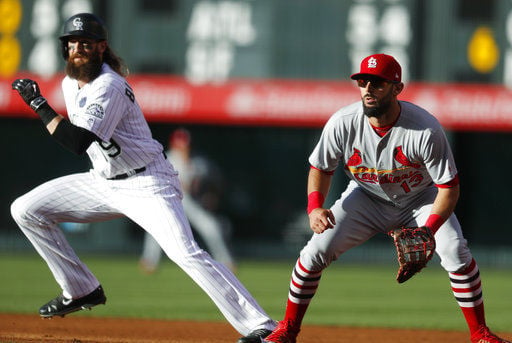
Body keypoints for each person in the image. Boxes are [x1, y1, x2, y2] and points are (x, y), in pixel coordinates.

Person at [10, 13, 274, 343]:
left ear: (101, 48)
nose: (77, 47)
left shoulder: (109, 85)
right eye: (71, 42)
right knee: (25, 209)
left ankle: (262, 327)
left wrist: (38, 104)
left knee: (186, 253)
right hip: (103, 182)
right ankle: (80, 289)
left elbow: (77, 143)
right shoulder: (69, 83)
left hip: (147, 183)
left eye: (85, 43)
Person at [262, 54, 510, 343]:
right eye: (363, 82)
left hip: (421, 199)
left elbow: (449, 188)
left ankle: (480, 334)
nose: (368, 89)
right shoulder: (343, 122)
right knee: (314, 252)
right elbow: (320, 168)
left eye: (378, 84)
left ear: (397, 88)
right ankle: (288, 330)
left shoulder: (425, 129)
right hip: (365, 197)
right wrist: (315, 207)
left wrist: (427, 230)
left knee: (456, 252)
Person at [139, 128, 236, 273]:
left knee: (211, 226)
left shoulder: (198, 162)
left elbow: (211, 180)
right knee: (157, 229)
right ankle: (149, 261)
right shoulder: (167, 158)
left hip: (189, 202)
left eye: (185, 146)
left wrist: (208, 195)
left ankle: (226, 261)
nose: (184, 149)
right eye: (180, 146)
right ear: (174, 146)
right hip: (170, 199)